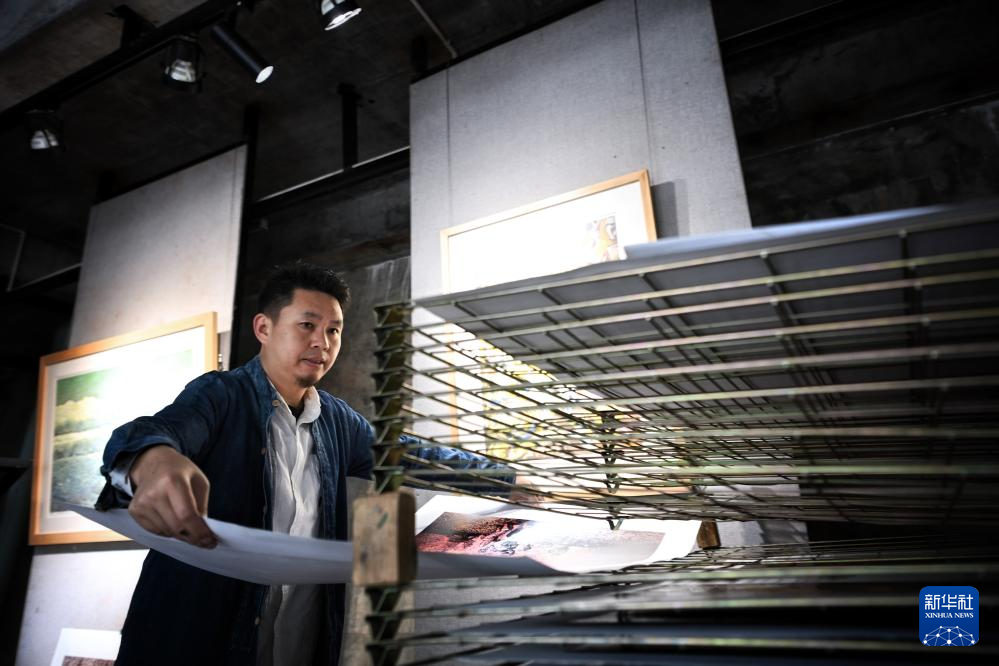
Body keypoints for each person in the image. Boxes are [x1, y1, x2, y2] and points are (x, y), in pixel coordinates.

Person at [96, 262, 510, 666]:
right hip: (198, 640)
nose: (322, 342)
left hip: (298, 642)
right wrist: (152, 460)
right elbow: (154, 431)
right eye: (307, 325)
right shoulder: (221, 394)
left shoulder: (338, 420)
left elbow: (410, 455)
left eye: (333, 330)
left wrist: (509, 479)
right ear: (264, 328)